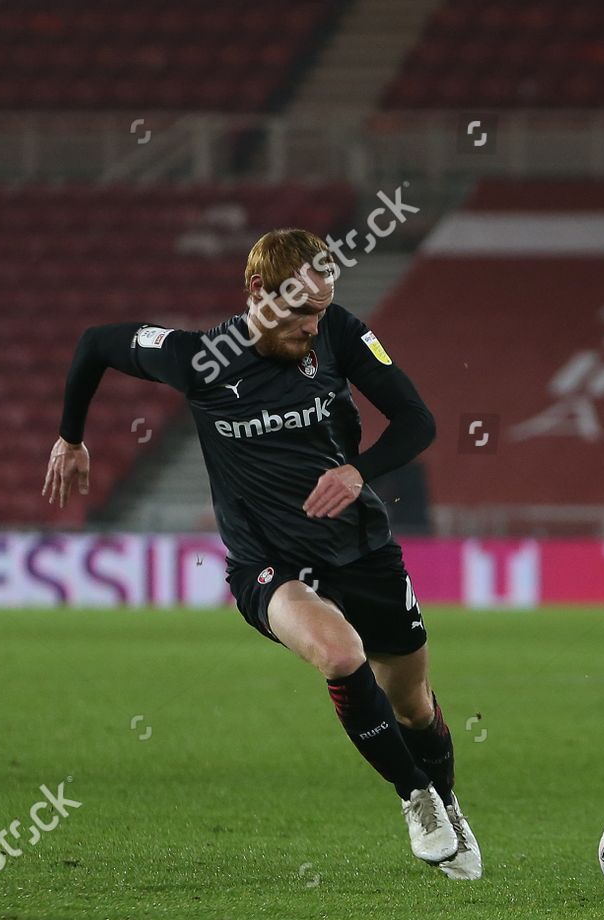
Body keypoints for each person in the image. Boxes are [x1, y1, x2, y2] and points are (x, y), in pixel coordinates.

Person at [41, 228, 480, 878]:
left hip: (362, 551)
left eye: (322, 307)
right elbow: (95, 344)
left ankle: (446, 801)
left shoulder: (341, 334)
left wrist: (359, 472)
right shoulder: (201, 360)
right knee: (339, 654)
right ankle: (415, 798)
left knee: (411, 701)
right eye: (301, 310)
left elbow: (417, 420)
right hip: (268, 564)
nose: (313, 323)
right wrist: (70, 438)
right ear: (256, 293)